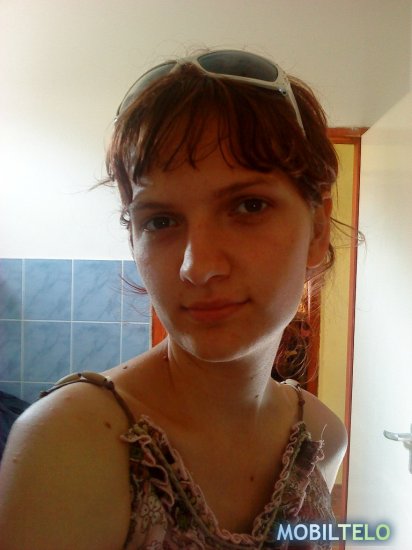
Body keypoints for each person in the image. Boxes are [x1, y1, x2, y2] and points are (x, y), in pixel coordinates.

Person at [0, 49, 347, 549]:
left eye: (248, 206)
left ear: (317, 229)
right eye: (160, 221)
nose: (196, 266)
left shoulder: (320, 438)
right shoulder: (72, 443)